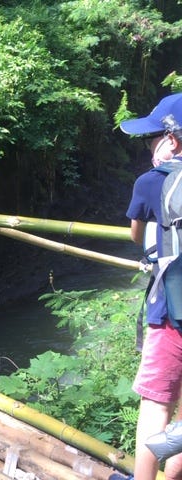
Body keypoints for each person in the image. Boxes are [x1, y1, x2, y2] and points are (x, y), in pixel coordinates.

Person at [122, 92, 182, 480]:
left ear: (172, 139)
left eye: (151, 139)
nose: (148, 146)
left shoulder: (149, 182)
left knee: (157, 405)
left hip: (170, 315)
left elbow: (134, 234)